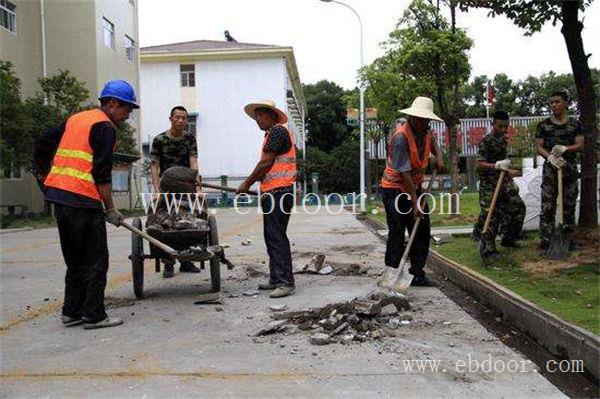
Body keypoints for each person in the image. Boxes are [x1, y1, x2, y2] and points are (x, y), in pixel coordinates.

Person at [32, 79, 138, 329]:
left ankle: (72, 311)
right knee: (95, 260)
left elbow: (44, 141)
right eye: (127, 109)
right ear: (112, 103)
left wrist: (43, 175)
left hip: (60, 198)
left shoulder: (76, 119)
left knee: (75, 259)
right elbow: (102, 173)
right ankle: (94, 315)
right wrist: (110, 208)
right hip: (82, 199)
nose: (127, 116)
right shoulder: (105, 126)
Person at [379, 97, 444, 288]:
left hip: (414, 186)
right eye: (420, 119)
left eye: (427, 120)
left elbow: (432, 142)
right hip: (394, 189)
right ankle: (391, 274)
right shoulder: (400, 138)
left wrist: (438, 156)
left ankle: (417, 273)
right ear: (411, 117)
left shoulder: (426, 130)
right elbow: (405, 175)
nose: (425, 123)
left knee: (422, 229)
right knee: (397, 231)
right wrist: (415, 204)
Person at [237, 100, 296, 298]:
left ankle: (285, 282)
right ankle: (276, 278)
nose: (257, 119)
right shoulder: (271, 135)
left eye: (261, 115)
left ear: (272, 115)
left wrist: (246, 184)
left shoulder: (278, 132)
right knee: (271, 236)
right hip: (273, 192)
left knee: (276, 236)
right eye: (256, 116)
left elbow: (265, 163)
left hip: (279, 192)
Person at [150, 106, 202, 278]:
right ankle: (168, 262)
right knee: (164, 221)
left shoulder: (189, 138)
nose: (181, 120)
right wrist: (157, 191)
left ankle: (187, 260)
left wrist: (198, 188)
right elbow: (154, 166)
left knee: (188, 220)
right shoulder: (159, 139)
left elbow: (193, 162)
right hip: (166, 187)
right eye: (177, 117)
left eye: (184, 118)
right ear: (171, 118)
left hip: (185, 185)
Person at [473, 111, 525, 261]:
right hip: (489, 185)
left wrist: (509, 171)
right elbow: (479, 164)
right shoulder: (486, 141)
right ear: (493, 123)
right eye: (500, 126)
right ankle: (488, 249)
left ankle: (509, 239)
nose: (503, 129)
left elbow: (503, 163)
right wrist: (496, 165)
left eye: (506, 126)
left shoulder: (503, 140)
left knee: (517, 206)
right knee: (491, 215)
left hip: (503, 182)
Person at [535, 90, 583, 256]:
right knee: (547, 205)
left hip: (568, 169)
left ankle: (567, 240)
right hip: (550, 170)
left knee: (568, 205)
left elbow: (580, 144)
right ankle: (546, 242)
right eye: (551, 103)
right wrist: (550, 158)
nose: (553, 105)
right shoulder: (544, 125)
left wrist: (566, 148)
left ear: (566, 103)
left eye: (557, 102)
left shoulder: (575, 124)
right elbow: (539, 146)